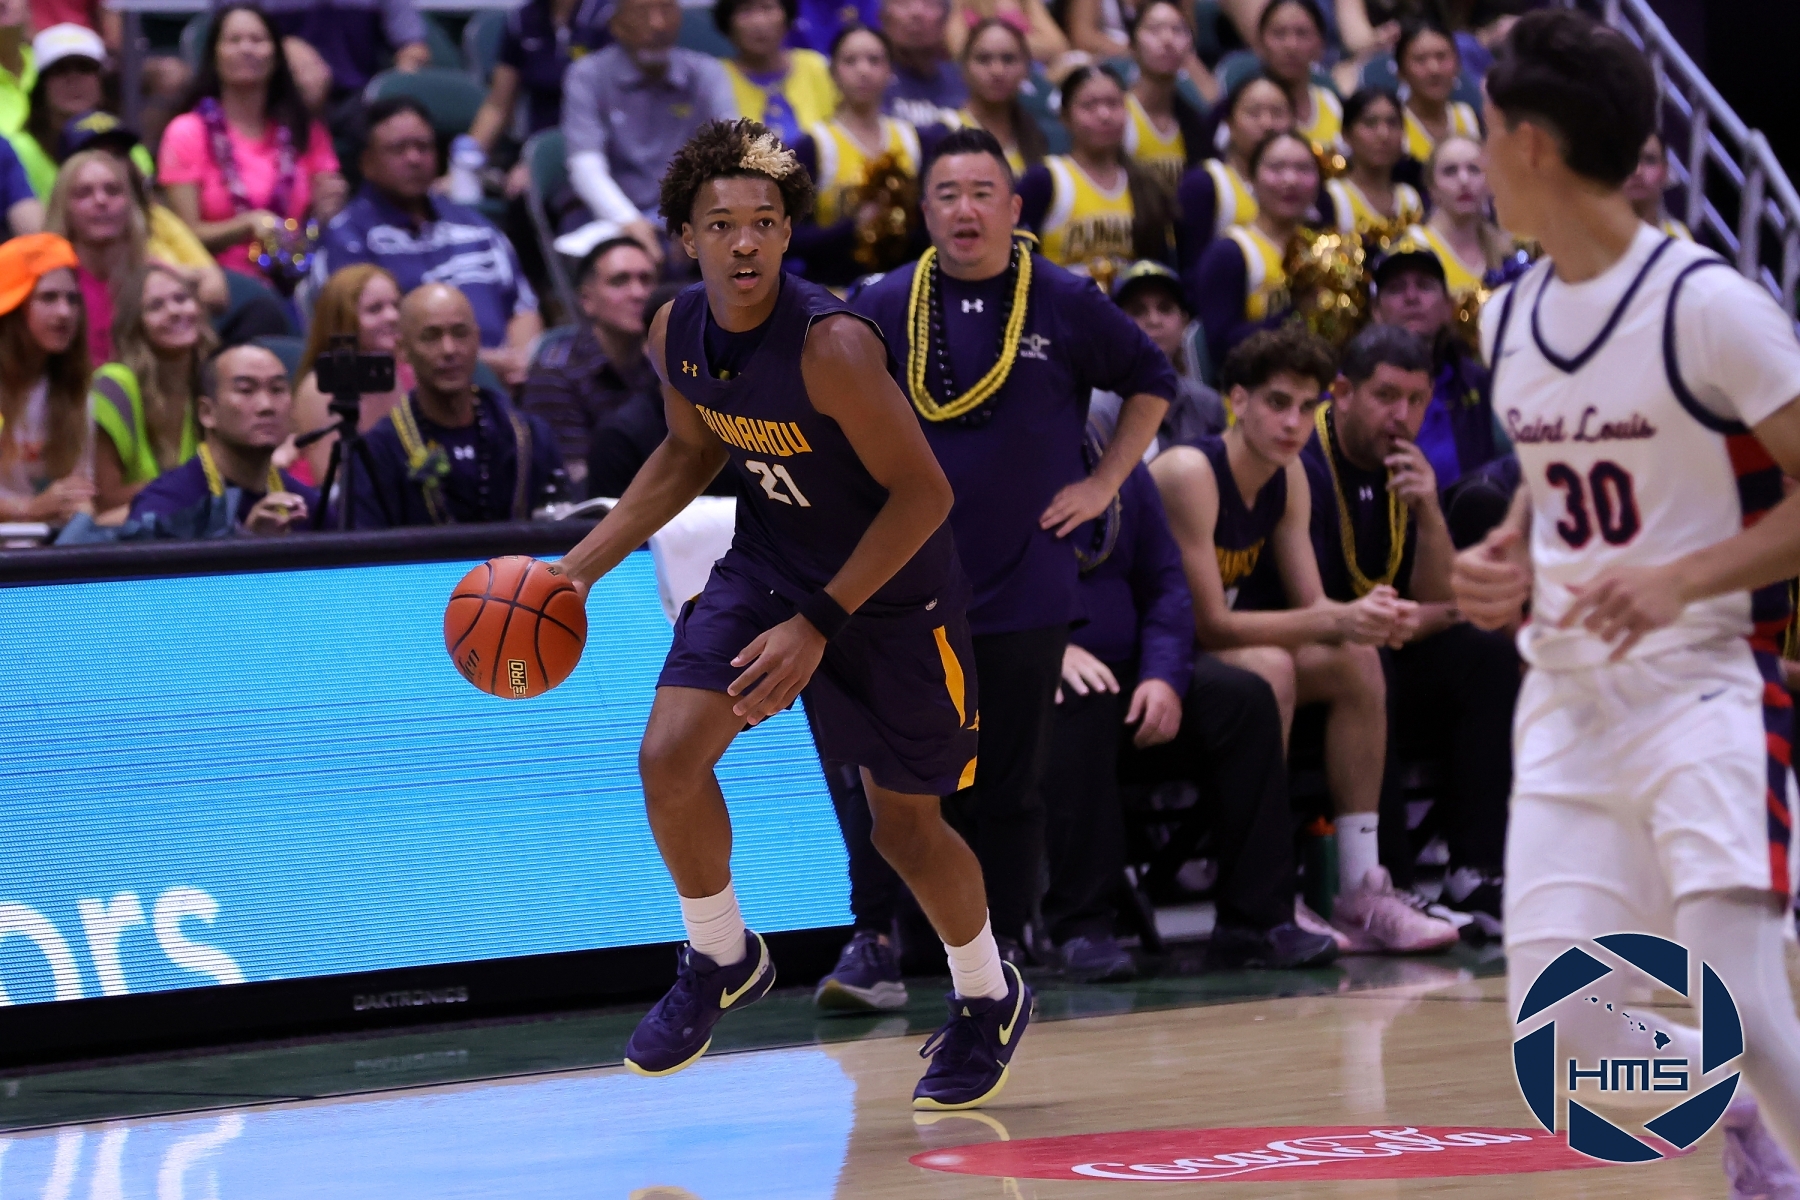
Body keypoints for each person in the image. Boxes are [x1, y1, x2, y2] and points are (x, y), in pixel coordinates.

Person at [554, 117, 1030, 1110]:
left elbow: (925, 496)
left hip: (892, 595)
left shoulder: (833, 345)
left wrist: (819, 622)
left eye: (764, 222)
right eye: (721, 223)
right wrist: (578, 569)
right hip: (772, 564)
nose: (744, 243)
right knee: (667, 757)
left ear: (784, 233)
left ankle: (988, 996)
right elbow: (689, 452)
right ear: (685, 236)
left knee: (904, 831)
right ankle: (720, 955)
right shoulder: (675, 330)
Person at [1454, 11, 1800, 1188]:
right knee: (1562, 1042)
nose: (1478, 159)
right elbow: (1557, 477)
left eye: (1486, 134)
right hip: (1564, 704)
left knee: (1746, 1005)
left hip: (1705, 688)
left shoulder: (1708, 306)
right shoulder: (1506, 316)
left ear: (1531, 144)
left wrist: (1680, 578)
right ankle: (1743, 1122)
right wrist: (1506, 555)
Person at [855, 126, 1176, 958]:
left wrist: (1103, 484)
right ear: (926, 211)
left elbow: (1153, 380)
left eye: (982, 194)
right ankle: (905, 944)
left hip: (1027, 582)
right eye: (948, 195)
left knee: (1010, 784)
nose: (966, 211)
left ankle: (1000, 951)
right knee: (911, 782)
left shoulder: (1065, 297)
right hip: (910, 584)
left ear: (1014, 208)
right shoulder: (885, 303)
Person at [1150, 324, 1459, 954]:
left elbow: (1313, 608)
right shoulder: (1189, 472)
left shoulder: (1288, 475)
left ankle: (1361, 886)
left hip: (1215, 655)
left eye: (1304, 406)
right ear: (1237, 400)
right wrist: (1339, 619)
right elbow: (1208, 626)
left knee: (1357, 661)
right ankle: (1262, 896)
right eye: (1277, 403)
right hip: (1150, 659)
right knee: (1271, 667)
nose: (1293, 423)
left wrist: (1365, 620)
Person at [1042, 448, 1342, 975]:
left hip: (1135, 666)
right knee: (1080, 699)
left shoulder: (1121, 467)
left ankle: (1256, 922)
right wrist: (1046, 651)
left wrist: (1162, 674)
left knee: (1245, 701)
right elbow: (970, 582)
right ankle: (1082, 929)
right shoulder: (998, 463)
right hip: (1035, 670)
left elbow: (1166, 584)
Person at [1304, 323, 1515, 937]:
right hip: (1319, 652)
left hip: (1388, 639)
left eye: (1417, 400)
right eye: (1386, 396)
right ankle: (1385, 882)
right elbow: (1315, 603)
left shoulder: (1407, 466)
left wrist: (1428, 510)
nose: (1402, 415)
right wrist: (1405, 621)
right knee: (1371, 667)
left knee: (1483, 654)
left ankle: (1476, 871)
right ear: (1343, 393)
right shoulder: (1306, 460)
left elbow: (1441, 601)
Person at [315, 98, 542, 389]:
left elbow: (522, 308)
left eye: (423, 147)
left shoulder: (476, 228)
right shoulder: (348, 239)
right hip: (410, 395)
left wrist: (520, 362)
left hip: (508, 386)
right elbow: (361, 343)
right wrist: (478, 365)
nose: (414, 158)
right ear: (367, 163)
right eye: (398, 149)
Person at [158, 5, 346, 290]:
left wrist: (324, 212)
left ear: (276, 55)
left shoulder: (304, 129)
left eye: (257, 40)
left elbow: (316, 222)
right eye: (233, 40)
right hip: (218, 284)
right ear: (214, 54)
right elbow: (184, 234)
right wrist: (246, 225)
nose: (246, 49)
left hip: (296, 277)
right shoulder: (187, 132)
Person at [346, 283, 561, 528]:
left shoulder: (528, 435)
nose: (449, 350)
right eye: (431, 337)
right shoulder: (377, 452)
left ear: (477, 339)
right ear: (403, 349)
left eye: (460, 333)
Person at [560, 0, 736, 266]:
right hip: (611, 214)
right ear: (615, 24)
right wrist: (628, 221)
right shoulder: (588, 76)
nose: (658, 24)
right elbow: (585, 166)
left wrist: (695, 214)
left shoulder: (706, 73)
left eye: (667, 9)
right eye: (642, 12)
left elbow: (731, 155)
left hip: (688, 214)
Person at [128, 342, 316, 534]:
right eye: (246, 390)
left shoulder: (307, 507)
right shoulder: (164, 507)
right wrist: (246, 540)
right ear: (207, 412)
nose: (266, 405)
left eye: (277, 389)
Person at [520, 237, 657, 495]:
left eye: (646, 280)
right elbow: (572, 480)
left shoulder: (659, 367)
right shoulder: (555, 372)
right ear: (587, 300)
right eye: (620, 281)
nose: (638, 294)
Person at [790, 25, 924, 286]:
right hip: (833, 292)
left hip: (903, 290)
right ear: (833, 72)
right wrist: (853, 227)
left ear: (890, 70)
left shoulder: (912, 140)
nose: (863, 70)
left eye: (874, 60)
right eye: (850, 61)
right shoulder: (814, 146)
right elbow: (791, 238)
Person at [1369, 241, 1502, 496]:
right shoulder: (1354, 388)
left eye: (1424, 285)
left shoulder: (1481, 384)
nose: (1411, 297)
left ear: (1448, 306)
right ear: (1376, 311)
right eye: (1396, 288)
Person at [1017, 66, 1174, 277]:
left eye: (1113, 104)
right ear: (1065, 116)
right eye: (1089, 105)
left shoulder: (1147, 185)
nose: (1104, 115)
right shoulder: (1044, 181)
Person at [1187, 128, 1319, 371]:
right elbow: (1222, 348)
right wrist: (1296, 314)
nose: (1291, 180)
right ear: (1252, 177)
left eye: (1303, 169)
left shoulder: (1327, 248)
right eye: (1276, 168)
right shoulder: (1228, 253)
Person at [89, 263, 215, 515]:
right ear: (136, 324)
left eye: (181, 299)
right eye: (156, 306)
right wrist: (193, 485)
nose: (174, 311)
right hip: (123, 530)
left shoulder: (212, 379)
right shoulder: (113, 386)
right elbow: (105, 499)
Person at [468, 0, 612, 200]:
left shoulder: (607, 16)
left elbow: (613, 111)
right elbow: (497, 106)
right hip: (532, 149)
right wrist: (464, 162)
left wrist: (543, 161)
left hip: (597, 151)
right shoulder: (523, 20)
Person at [288, 263, 411, 486]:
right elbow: (332, 482)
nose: (393, 316)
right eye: (375, 309)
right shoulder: (321, 387)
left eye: (396, 305)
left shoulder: (410, 373)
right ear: (342, 321)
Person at [0, 232, 92, 525]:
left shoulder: (79, 388)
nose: (65, 312)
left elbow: (82, 494)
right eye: (48, 298)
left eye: (72, 299)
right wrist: (28, 509)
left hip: (56, 544)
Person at [1173, 74, 1289, 271]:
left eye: (1277, 113)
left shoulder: (1306, 184)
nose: (1267, 124)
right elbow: (1190, 269)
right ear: (1229, 123)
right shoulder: (1203, 184)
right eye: (1254, 113)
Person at [1103, 259, 1222, 443]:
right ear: (1114, 325)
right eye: (1137, 310)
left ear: (1184, 321)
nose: (1154, 320)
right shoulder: (1095, 407)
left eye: (1165, 308)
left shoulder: (1208, 406)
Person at [45, 148, 142, 365]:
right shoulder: (45, 288)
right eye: (83, 193)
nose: (101, 200)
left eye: (112, 190)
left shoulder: (154, 279)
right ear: (64, 208)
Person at [1405, 133, 1509, 305]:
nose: (1464, 180)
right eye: (1450, 171)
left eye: (1474, 169)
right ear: (1431, 188)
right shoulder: (1414, 248)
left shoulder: (1504, 249)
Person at [258, 0, 430, 103]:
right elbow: (242, 31)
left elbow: (413, 47)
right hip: (284, 95)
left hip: (359, 96)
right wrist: (284, 46)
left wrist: (398, 87)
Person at [717, 0, 838, 145]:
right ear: (728, 21)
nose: (759, 21)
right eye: (745, 10)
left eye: (767, 8)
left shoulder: (815, 66)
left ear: (787, 15)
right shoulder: (716, 77)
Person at [1121, 0, 1207, 198]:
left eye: (1178, 30)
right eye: (1154, 29)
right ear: (1132, 45)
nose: (1168, 40)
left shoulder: (1195, 123)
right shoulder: (1119, 116)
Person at [945, 18, 1044, 176]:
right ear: (964, 67)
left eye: (1008, 59)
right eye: (983, 59)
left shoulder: (1036, 136)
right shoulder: (943, 131)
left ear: (1027, 69)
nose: (997, 71)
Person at [1325, 87, 1421, 245]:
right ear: (1345, 134)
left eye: (1392, 123)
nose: (1384, 134)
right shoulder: (1332, 198)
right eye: (1370, 123)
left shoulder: (1411, 198)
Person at [1257, 0, 1339, 155]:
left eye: (1302, 33)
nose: (1291, 45)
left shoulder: (1332, 104)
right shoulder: (1240, 108)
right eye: (1279, 33)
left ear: (1320, 45)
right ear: (1260, 43)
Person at [1395, 19, 1479, 165]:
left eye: (1441, 56)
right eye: (1420, 60)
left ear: (1458, 64)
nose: (1434, 69)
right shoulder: (1393, 126)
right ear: (1401, 72)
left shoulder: (1467, 116)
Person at [881, 0, 965, 128]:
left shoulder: (965, 81)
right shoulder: (867, 81)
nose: (916, 13)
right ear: (884, 16)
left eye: (929, 3)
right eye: (903, 3)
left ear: (946, 19)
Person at [943, 0, 1066, 67]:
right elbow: (959, 48)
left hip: (1031, 74)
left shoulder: (1027, 2)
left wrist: (1000, 42)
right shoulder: (959, 3)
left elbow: (1057, 47)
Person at [1625, 130, 1691, 241]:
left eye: (1650, 160)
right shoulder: (1594, 237)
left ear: (1665, 170)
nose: (1637, 171)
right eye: (1628, 159)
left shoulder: (1679, 235)